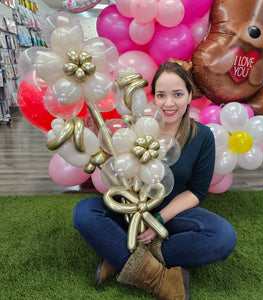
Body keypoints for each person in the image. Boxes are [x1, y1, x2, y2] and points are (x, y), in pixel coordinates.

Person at [73, 61, 237, 300]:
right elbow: (119, 171)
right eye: (161, 95)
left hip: (172, 213)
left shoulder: (202, 137)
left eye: (178, 94)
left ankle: (120, 255)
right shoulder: (138, 126)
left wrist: (158, 222)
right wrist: (99, 143)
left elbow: (196, 192)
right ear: (154, 98)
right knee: (84, 212)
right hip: (130, 210)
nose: (168, 103)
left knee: (223, 237)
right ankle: (157, 277)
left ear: (190, 96)